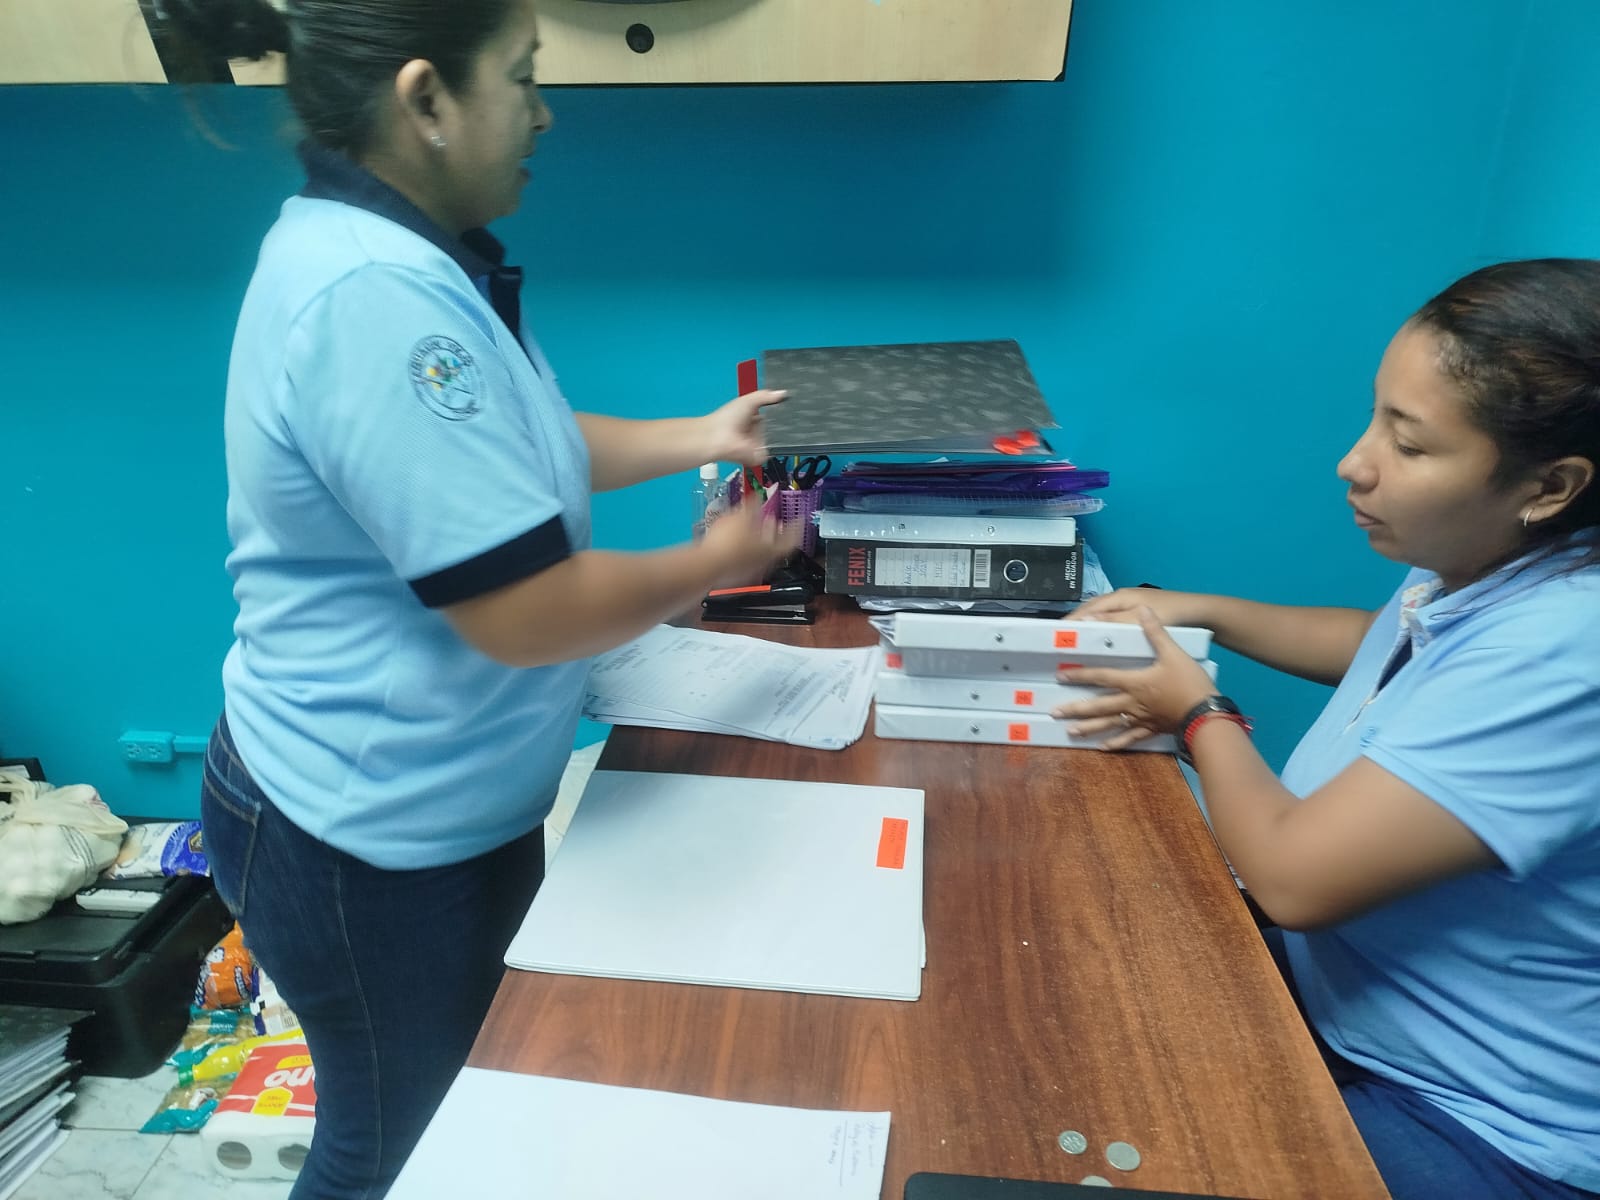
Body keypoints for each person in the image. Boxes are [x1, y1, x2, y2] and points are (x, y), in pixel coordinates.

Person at [158, 1, 798, 1197]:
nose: (545, 114)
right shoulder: (373, 297)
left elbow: (511, 451)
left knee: (468, 1115)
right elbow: (523, 611)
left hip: (432, 799)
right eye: (523, 77)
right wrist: (715, 563)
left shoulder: (405, 254)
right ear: (426, 99)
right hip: (359, 834)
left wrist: (700, 436)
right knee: (398, 1150)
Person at [1057, 258, 1600, 1200]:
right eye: (1375, 419)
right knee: (1072, 996)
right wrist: (1205, 610)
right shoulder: (1494, 555)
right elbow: (1379, 646)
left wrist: (1197, 711)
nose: (1356, 462)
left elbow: (1294, 878)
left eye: (1410, 445)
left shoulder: (1565, 649)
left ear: (1550, 484)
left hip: (1483, 1118)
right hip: (1352, 1006)